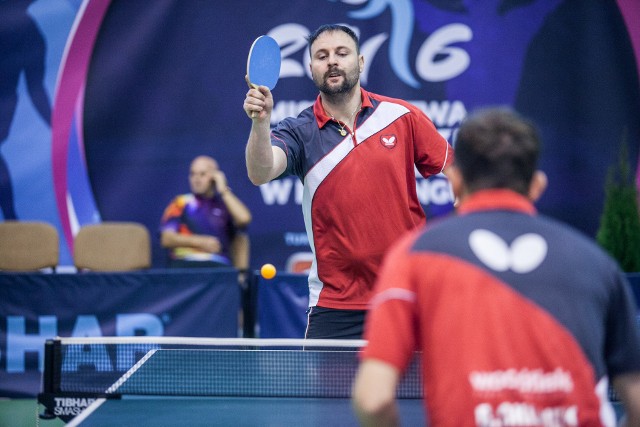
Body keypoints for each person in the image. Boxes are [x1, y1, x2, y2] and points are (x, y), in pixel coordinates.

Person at [352, 107, 640, 426]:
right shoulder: (595, 263)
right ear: (537, 185)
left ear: (456, 181)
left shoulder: (413, 255)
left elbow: (373, 398)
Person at [243, 24, 454, 339]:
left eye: (342, 53)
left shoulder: (402, 116)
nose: (332, 61)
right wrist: (261, 124)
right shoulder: (299, 131)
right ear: (311, 68)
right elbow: (261, 172)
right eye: (321, 56)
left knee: (415, 390)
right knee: (328, 391)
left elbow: (457, 171)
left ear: (361, 62)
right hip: (335, 305)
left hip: (405, 292)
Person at [160, 155, 252, 270]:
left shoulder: (225, 205)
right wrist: (200, 242)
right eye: (193, 174)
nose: (196, 179)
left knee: (241, 236)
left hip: (217, 267)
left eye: (202, 174)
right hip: (184, 266)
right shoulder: (180, 203)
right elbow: (166, 239)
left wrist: (223, 190)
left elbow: (244, 219)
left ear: (214, 177)